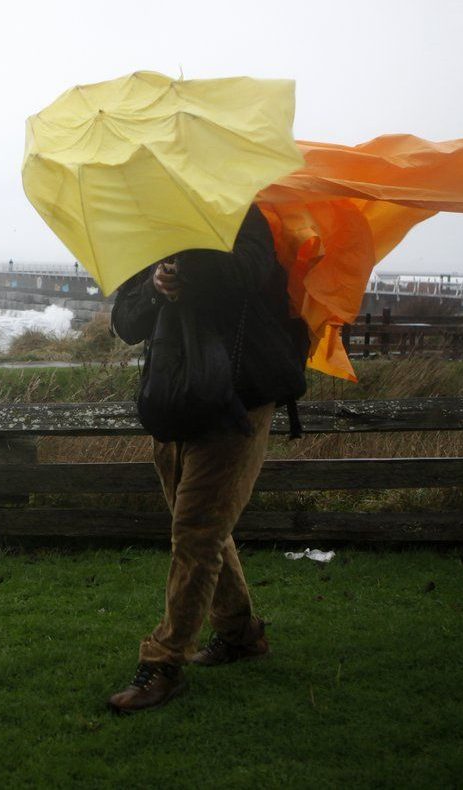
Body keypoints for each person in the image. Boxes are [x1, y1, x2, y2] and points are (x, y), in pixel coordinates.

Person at [106, 205, 308, 714]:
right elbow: (126, 322)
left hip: (237, 399)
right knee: (199, 526)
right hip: (174, 400)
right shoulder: (154, 227)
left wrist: (187, 269)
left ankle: (163, 662)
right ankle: (241, 634)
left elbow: (248, 274)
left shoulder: (245, 215)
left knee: (196, 533)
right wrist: (156, 286)